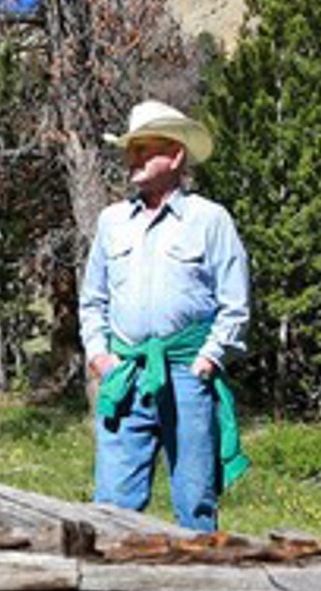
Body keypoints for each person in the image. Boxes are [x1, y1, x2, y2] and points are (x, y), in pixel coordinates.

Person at [80, 100, 250, 533]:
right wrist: (100, 357)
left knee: (195, 502)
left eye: (144, 149)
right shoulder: (112, 222)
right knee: (111, 507)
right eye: (130, 149)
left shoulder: (211, 220)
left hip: (188, 375)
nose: (132, 159)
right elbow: (92, 300)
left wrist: (208, 360)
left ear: (175, 156)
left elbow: (234, 303)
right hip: (126, 375)